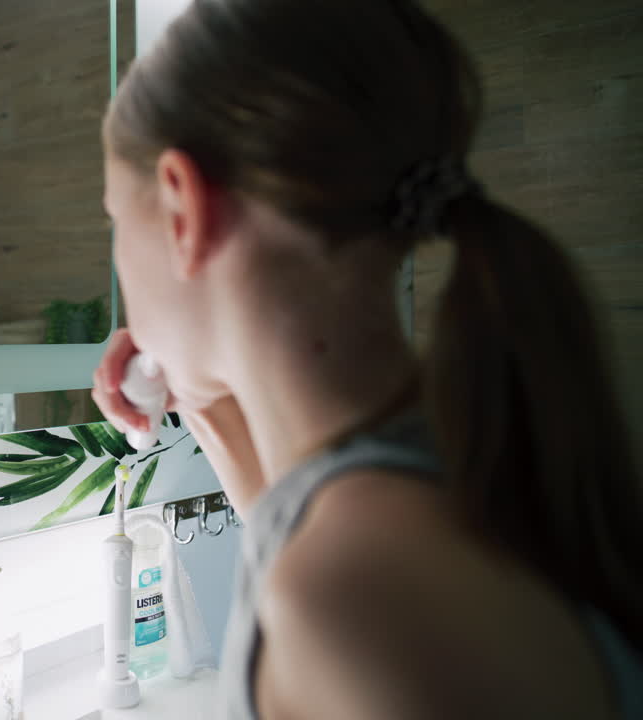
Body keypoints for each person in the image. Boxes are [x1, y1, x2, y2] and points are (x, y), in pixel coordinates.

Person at [91, 1, 642, 718]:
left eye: (112, 218)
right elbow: (283, 519)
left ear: (181, 209)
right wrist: (197, 385)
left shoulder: (353, 595)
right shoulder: (434, 470)